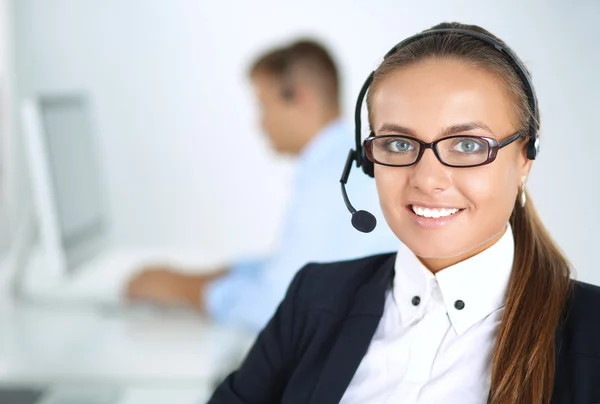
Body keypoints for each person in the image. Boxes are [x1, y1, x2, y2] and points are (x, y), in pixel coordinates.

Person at [208, 23, 600, 404]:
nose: (428, 179)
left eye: (466, 145)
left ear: (524, 160)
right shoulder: (313, 299)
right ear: (367, 160)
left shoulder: (590, 333)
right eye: (398, 143)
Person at [125, 40, 400, 331]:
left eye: (263, 105)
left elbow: (276, 306)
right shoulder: (345, 162)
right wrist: (222, 274)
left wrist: (180, 289)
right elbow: (291, 270)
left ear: (301, 99)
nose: (260, 123)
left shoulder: (330, 182)